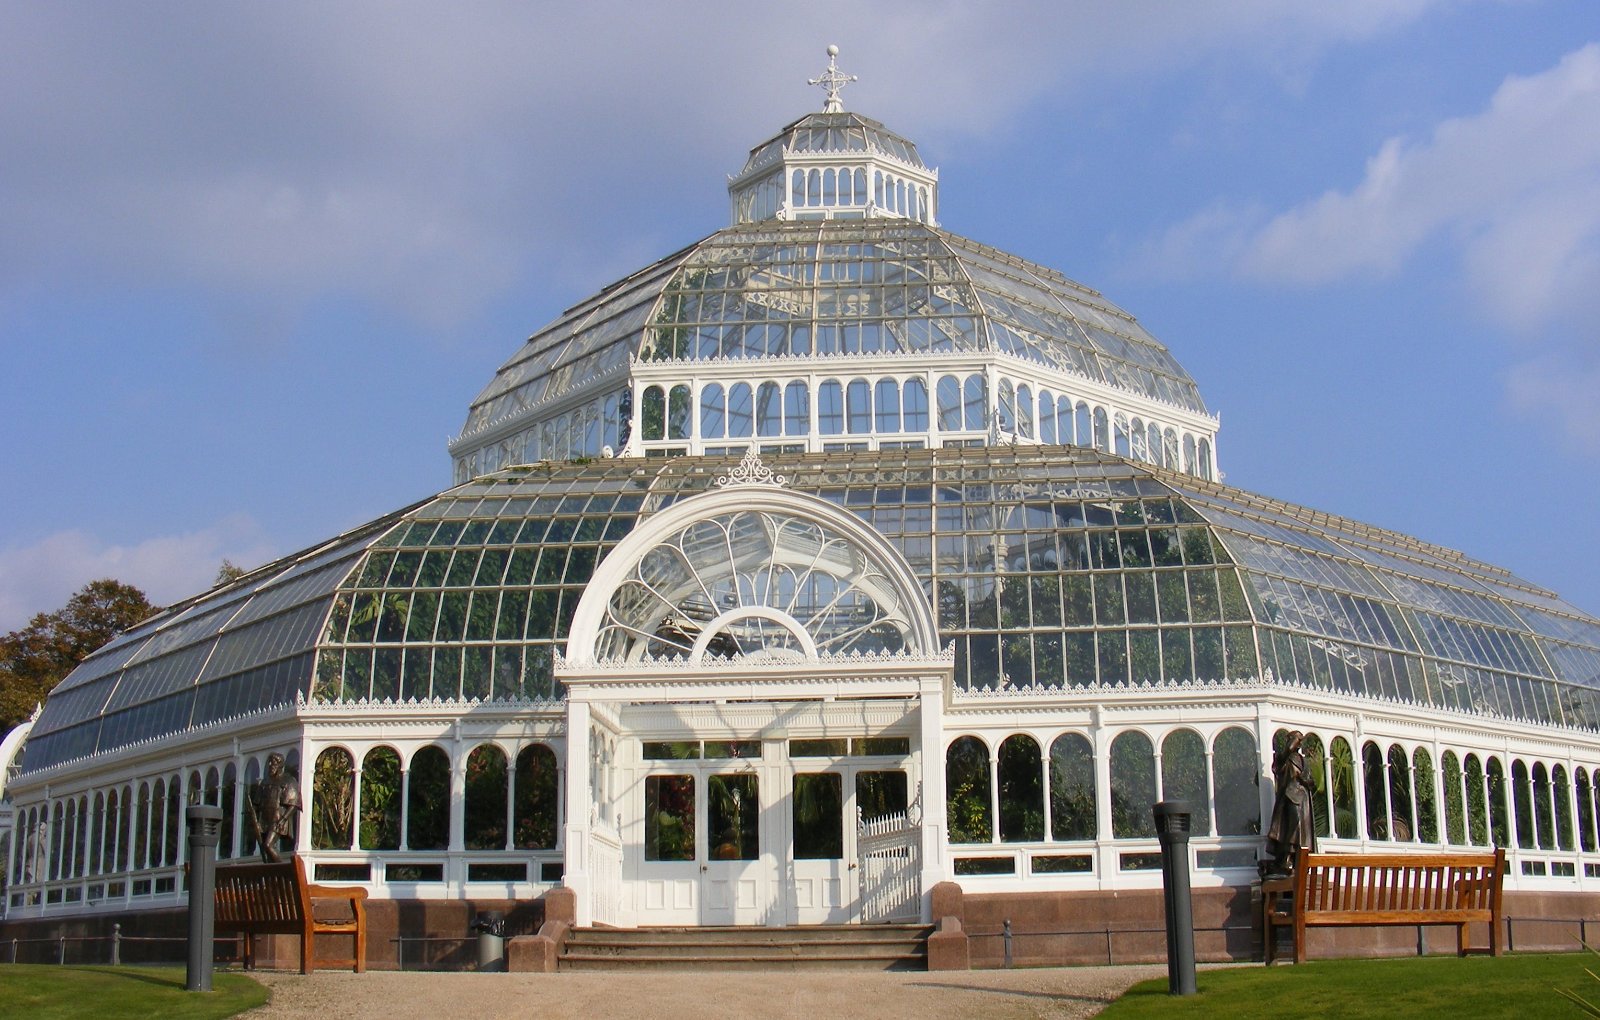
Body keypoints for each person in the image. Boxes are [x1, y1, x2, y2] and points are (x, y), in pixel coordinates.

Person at [1265, 730, 1316, 876]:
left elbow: (1310, 780)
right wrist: (1292, 741)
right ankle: (1287, 858)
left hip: (1302, 798)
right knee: (1294, 825)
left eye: (1300, 741)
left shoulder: (1302, 759)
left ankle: (1296, 860)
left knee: (1301, 830)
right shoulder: (1285, 758)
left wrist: (1306, 781)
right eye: (1297, 740)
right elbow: (1280, 763)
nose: (1299, 743)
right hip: (1290, 796)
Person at [249, 751, 302, 862]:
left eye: (273, 763)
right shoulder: (265, 782)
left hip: (278, 819)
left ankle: (282, 871)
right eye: (269, 763)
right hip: (265, 820)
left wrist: (283, 820)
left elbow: (294, 803)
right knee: (264, 848)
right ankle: (272, 874)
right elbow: (256, 804)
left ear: (280, 765)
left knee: (268, 845)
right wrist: (256, 821)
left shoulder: (289, 781)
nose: (270, 766)